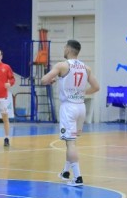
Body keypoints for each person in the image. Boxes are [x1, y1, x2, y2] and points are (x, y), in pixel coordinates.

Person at [41, 40, 99, 186]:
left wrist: (52, 80)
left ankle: (78, 177)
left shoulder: (62, 65)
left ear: (68, 49)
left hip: (68, 108)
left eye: (64, 47)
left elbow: (43, 80)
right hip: (81, 107)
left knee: (71, 143)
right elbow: (96, 87)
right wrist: (80, 92)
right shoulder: (86, 68)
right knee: (71, 141)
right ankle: (66, 172)